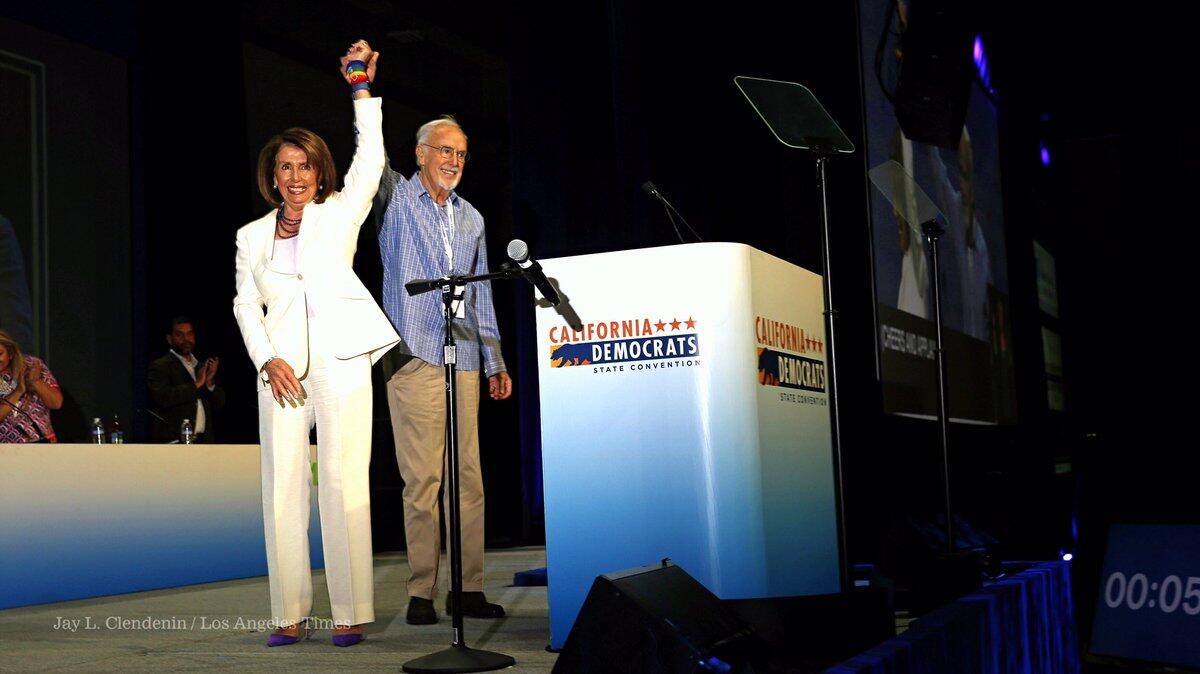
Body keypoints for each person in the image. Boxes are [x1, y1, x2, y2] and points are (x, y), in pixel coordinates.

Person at [232, 40, 397, 648]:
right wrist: (265, 358)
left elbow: (371, 157)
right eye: (285, 167)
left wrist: (361, 90)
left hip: (343, 358)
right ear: (271, 177)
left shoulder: (340, 212)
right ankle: (289, 612)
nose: (295, 176)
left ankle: (350, 609)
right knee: (282, 489)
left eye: (304, 166)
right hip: (279, 369)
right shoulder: (251, 236)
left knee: (344, 480)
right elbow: (246, 304)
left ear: (318, 172)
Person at [376, 114, 512, 625]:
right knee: (423, 481)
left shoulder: (472, 217)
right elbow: (371, 158)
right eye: (444, 151)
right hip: (415, 355)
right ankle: (421, 591)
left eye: (460, 153)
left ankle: (468, 588)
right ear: (420, 154)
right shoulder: (395, 200)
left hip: (466, 356)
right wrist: (361, 88)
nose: (453, 161)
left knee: (468, 478)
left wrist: (494, 359)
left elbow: (481, 294)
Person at [147, 317, 226, 442]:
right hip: (175, 442)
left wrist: (210, 383)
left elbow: (219, 404)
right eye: (180, 335)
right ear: (169, 339)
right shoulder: (160, 366)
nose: (186, 339)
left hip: (204, 442)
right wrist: (196, 384)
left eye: (190, 334)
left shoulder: (201, 367)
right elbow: (163, 398)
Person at [0, 329, 62, 443]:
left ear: (10, 352)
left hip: (42, 444)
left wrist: (35, 382)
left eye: (0, 354)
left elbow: (56, 403)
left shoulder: (31, 365)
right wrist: (19, 391)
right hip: (7, 450)